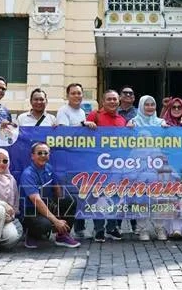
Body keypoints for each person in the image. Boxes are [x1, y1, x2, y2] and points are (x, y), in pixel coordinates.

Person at [19, 142, 80, 248]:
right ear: (32, 156)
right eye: (39, 153)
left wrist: (60, 211)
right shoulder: (28, 174)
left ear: (49, 155)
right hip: (31, 211)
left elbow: (57, 189)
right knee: (45, 225)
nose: (43, 155)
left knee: (70, 201)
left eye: (45, 153)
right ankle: (31, 234)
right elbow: (36, 201)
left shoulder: (49, 168)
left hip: (47, 204)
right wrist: (55, 220)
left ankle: (62, 235)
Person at [85, 89, 126, 241]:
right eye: (109, 99)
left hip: (116, 164)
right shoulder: (94, 115)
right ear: (103, 102)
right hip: (98, 164)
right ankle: (99, 229)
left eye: (115, 99)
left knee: (115, 196)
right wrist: (86, 123)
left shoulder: (122, 121)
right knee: (99, 196)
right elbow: (82, 134)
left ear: (119, 101)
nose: (112, 102)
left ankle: (111, 227)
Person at [126, 95, 167, 240]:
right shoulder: (133, 122)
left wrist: (166, 130)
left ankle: (159, 228)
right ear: (141, 106)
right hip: (139, 177)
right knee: (141, 201)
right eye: (146, 105)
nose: (150, 107)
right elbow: (124, 144)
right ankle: (142, 229)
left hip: (156, 177)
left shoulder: (161, 122)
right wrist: (128, 130)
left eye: (152, 104)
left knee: (158, 201)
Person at [55, 83, 89, 238]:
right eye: (73, 93)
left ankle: (79, 228)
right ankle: (64, 229)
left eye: (79, 93)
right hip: (66, 161)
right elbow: (64, 135)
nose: (77, 96)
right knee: (68, 195)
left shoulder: (82, 112)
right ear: (68, 95)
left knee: (81, 194)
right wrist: (82, 126)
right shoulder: (63, 111)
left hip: (79, 160)